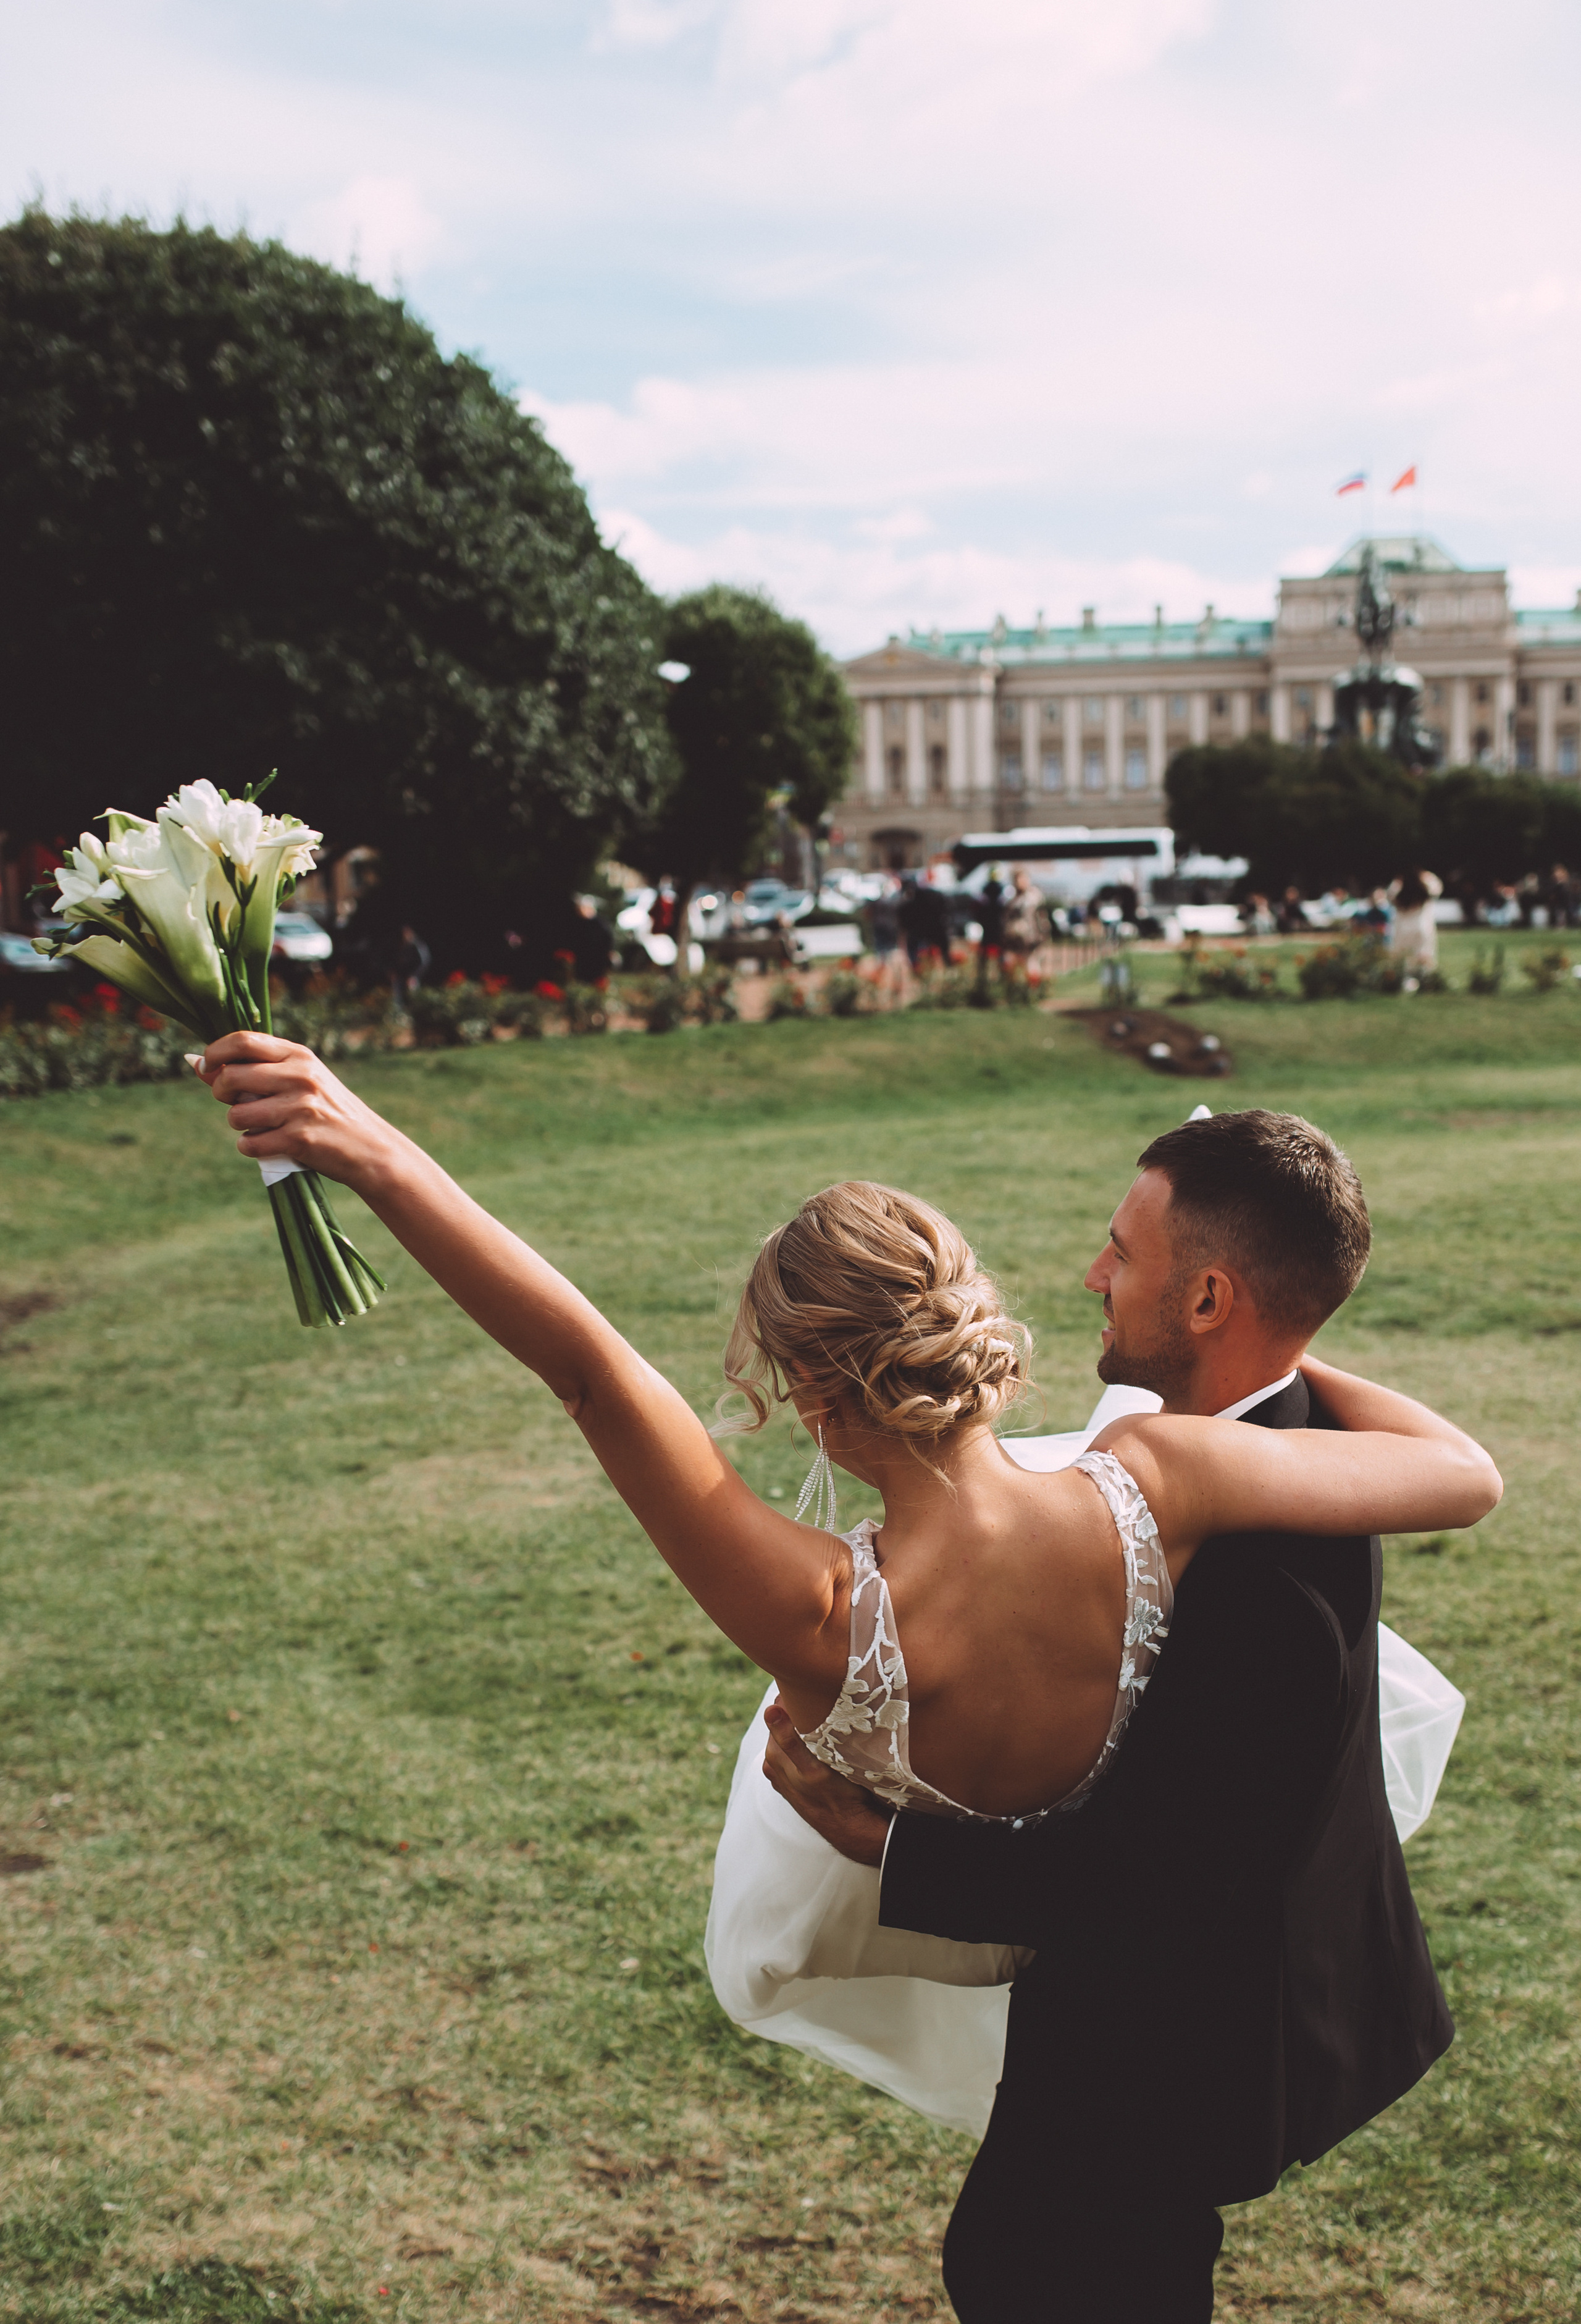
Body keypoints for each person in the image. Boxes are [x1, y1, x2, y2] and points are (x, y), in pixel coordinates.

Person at [193, 1048, 1496, 2317]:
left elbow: (592, 1371)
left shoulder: (824, 1621)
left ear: (808, 1390)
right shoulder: (1165, 1477)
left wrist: (368, 1156)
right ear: (966, 1326)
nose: (1100, 1272)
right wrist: (1288, 1322)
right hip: (1125, 2097)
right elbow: (1457, 1475)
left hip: (1073, 2150)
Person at [763, 1111, 1483, 2322]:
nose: (1093, 1274)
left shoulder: (1254, 1557)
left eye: (1121, 1252)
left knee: (1039, 2265)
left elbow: (1162, 1875)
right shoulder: (1284, 1445)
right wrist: (1287, 1341)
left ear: (1205, 1299)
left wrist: (879, 1841)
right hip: (1158, 2019)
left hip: (1174, 2045)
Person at [1390, 869, 1443, 974]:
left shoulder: (1398, 885)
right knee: (1424, 954)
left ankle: (1406, 979)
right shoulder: (1426, 886)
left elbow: (1390, 896)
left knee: (1404, 956)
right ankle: (1425, 977)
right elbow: (1437, 889)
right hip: (1422, 925)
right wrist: (1428, 876)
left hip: (1403, 928)